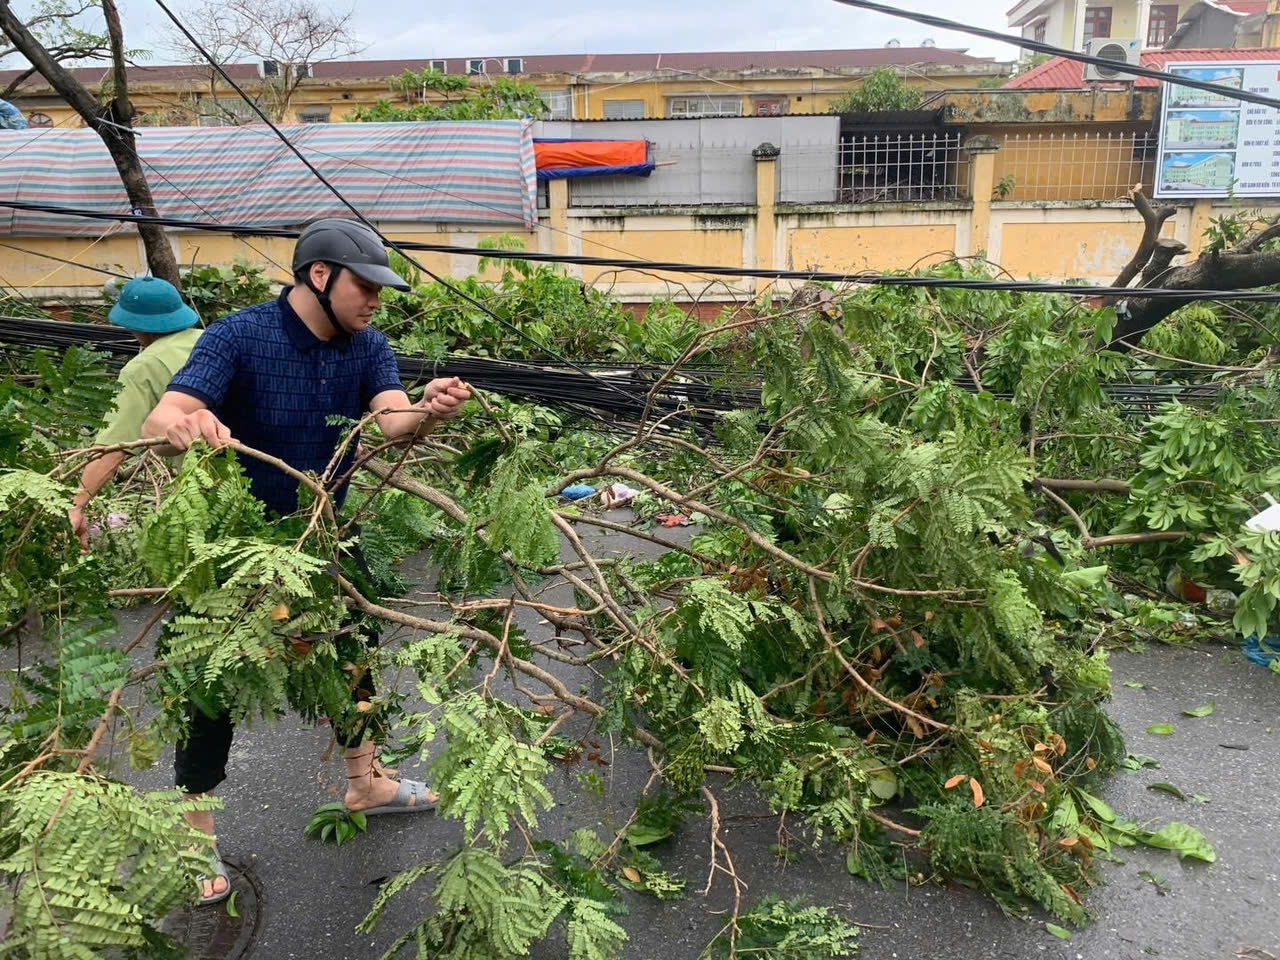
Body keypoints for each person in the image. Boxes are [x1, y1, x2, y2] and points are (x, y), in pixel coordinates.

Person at [142, 218, 472, 904]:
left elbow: (390, 424)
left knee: (353, 656)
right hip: (232, 552)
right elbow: (164, 417)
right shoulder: (237, 337)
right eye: (365, 285)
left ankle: (366, 781)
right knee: (209, 689)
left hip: (323, 540)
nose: (376, 300)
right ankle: (194, 835)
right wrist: (183, 425)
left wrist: (430, 412)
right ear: (319, 276)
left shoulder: (369, 347)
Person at [68, 277, 202, 550]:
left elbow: (113, 448)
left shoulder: (143, 367)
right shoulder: (212, 340)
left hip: (205, 493)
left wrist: (75, 505)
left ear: (133, 326)